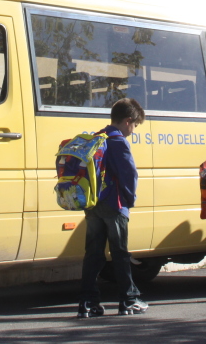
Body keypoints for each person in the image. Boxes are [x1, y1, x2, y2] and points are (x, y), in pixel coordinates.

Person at [78, 98, 149, 318]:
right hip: (114, 205)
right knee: (120, 254)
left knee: (93, 255)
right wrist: (129, 201)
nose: (133, 130)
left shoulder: (98, 138)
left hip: (93, 206)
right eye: (135, 125)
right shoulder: (119, 141)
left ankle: (87, 304)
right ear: (128, 121)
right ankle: (128, 300)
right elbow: (129, 175)